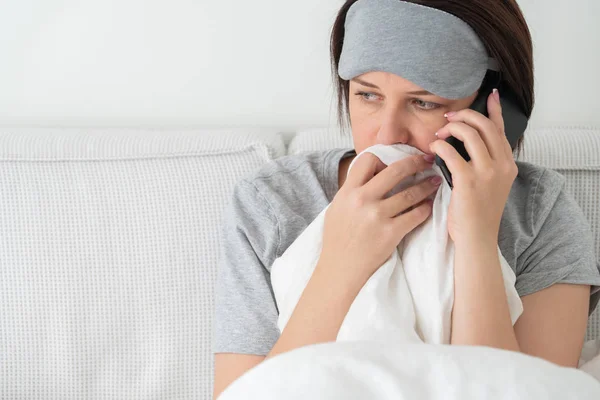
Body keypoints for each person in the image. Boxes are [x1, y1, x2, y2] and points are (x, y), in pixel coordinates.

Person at [212, 0, 600, 397]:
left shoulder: (538, 213)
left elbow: (519, 390)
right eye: (368, 95)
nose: (387, 135)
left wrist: (477, 240)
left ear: (496, 106)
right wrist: (339, 265)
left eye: (424, 102)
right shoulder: (271, 203)